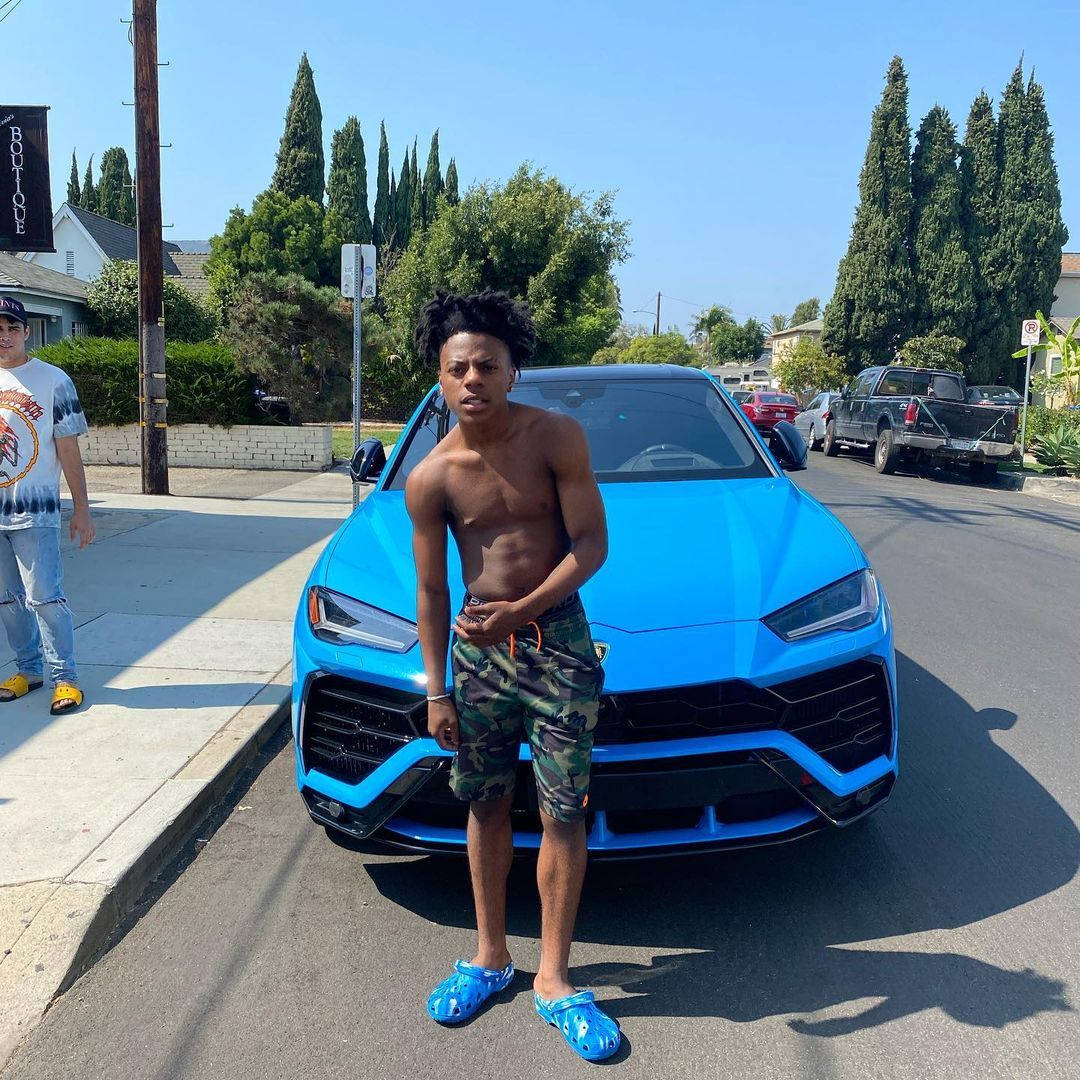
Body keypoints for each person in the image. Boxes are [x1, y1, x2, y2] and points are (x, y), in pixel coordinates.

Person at [405, 290, 620, 1061]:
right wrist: (437, 690)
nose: (472, 379)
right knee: (486, 802)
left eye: (486, 365)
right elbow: (432, 592)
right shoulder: (430, 479)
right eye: (457, 368)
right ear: (439, 378)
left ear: (512, 370)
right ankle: (491, 957)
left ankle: (555, 979)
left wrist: (520, 608)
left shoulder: (556, 438)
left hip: (557, 643)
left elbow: (590, 546)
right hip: (477, 657)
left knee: (564, 809)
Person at [0, 297, 93, 714]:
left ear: (25, 332)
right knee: (6, 600)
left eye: (12, 328)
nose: (4, 337)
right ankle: (29, 669)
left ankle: (65, 677)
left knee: (44, 598)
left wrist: (82, 509)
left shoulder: (53, 380)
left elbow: (68, 449)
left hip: (34, 512)